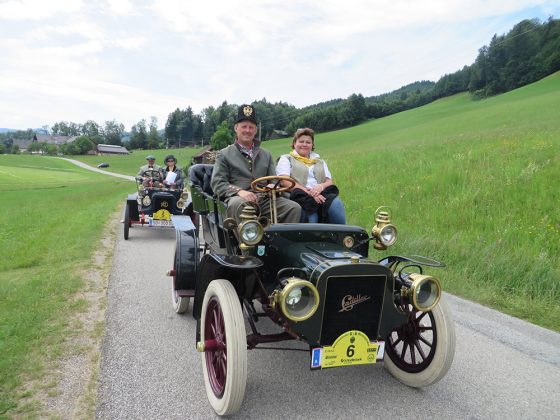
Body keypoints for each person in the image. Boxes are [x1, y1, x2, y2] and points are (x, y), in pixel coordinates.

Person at [210, 104, 301, 224]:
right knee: (237, 205)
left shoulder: (266, 154)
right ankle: (246, 241)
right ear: (236, 128)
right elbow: (218, 182)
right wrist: (239, 192)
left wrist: (272, 187)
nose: (247, 130)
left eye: (251, 127)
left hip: (265, 200)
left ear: (256, 130)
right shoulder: (224, 154)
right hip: (239, 199)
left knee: (294, 208)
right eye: (244, 127)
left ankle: (280, 242)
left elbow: (274, 180)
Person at [276, 127, 346, 224]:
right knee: (311, 215)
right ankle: (313, 237)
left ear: (312, 145)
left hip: (321, 194)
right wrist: (310, 193)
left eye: (308, 142)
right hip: (298, 196)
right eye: (301, 141)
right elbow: (285, 181)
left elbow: (329, 182)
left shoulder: (320, 161)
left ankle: (342, 236)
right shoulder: (286, 159)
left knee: (336, 204)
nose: (304, 144)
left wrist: (320, 187)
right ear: (294, 143)